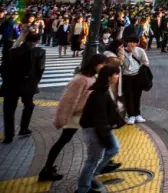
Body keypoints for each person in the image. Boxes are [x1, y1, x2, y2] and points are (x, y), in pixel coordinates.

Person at [38, 53, 107, 181]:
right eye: (102, 64)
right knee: (64, 140)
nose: (104, 67)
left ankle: (104, 163)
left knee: (92, 138)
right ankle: (47, 169)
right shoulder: (81, 79)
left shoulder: (92, 77)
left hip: (84, 115)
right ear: (95, 64)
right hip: (76, 116)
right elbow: (69, 100)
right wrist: (64, 117)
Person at [76, 66, 121, 193]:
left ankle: (90, 177)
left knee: (113, 149)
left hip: (101, 129)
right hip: (95, 130)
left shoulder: (104, 89)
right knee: (93, 160)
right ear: (109, 77)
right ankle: (82, 189)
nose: (118, 77)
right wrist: (105, 137)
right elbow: (98, 119)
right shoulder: (98, 94)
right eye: (116, 74)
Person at [1, 31, 45, 143]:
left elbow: (4, 68)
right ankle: (24, 128)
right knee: (29, 105)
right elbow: (40, 69)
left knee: (9, 109)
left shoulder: (12, 51)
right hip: (29, 83)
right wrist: (35, 82)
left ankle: (8, 136)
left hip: (11, 84)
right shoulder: (39, 52)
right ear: (37, 41)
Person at [119, 35, 149, 125]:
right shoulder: (122, 51)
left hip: (137, 76)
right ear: (127, 42)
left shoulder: (140, 51)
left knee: (137, 96)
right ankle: (131, 115)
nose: (132, 44)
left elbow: (146, 62)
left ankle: (138, 114)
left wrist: (141, 70)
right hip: (126, 76)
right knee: (128, 96)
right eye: (130, 42)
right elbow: (120, 64)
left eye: (135, 42)